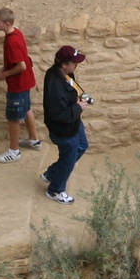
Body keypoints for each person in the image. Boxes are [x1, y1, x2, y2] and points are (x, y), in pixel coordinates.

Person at [41, 45, 91, 205]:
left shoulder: (65, 74)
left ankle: (51, 173)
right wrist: (79, 107)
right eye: (74, 63)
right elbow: (59, 114)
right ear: (64, 64)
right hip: (64, 129)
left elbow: (73, 88)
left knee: (82, 145)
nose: (76, 65)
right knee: (69, 159)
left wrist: (82, 97)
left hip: (74, 123)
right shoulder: (55, 84)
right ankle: (55, 190)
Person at [0, 9, 42, 163]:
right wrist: (6, 67)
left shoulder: (12, 41)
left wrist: (4, 75)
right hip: (26, 82)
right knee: (26, 108)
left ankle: (14, 151)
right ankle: (34, 139)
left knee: (13, 118)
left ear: (7, 23)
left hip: (18, 84)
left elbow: (21, 66)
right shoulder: (16, 33)